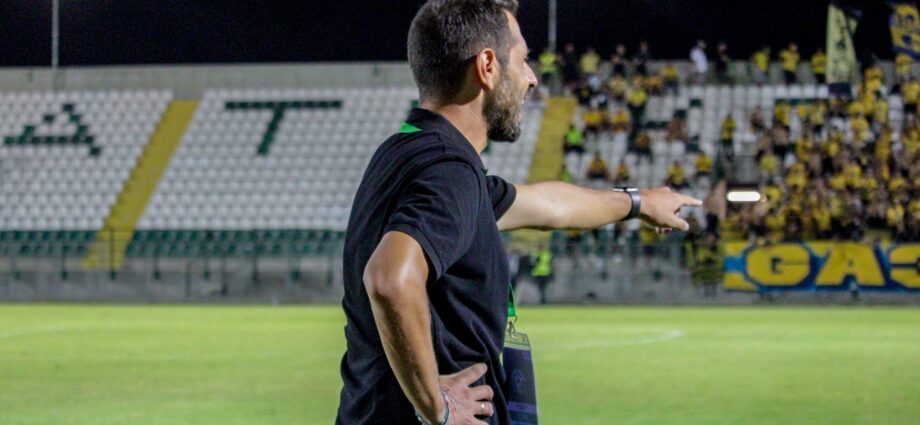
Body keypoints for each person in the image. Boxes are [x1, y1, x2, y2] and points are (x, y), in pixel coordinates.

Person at [337, 2, 702, 424]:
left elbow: (551, 206)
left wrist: (639, 203)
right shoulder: (449, 171)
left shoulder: (409, 152)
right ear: (487, 66)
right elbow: (390, 278)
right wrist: (436, 407)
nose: (531, 78)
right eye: (523, 60)